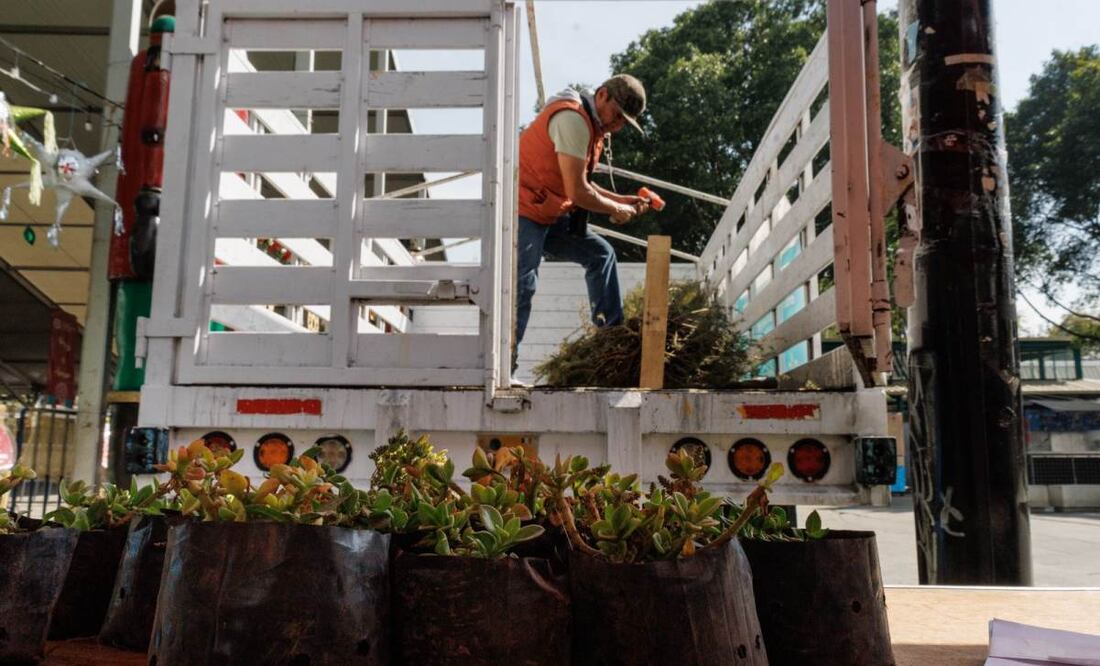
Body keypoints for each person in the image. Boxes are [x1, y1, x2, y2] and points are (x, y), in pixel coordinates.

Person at [514, 74, 650, 381]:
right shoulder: (572, 120)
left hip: (549, 212)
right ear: (602, 96)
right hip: (522, 209)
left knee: (601, 255)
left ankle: (611, 343)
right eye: (617, 117)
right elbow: (578, 192)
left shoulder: (593, 126)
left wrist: (622, 199)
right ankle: (505, 367)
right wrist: (617, 209)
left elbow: (582, 183)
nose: (617, 126)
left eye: (624, 123)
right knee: (523, 284)